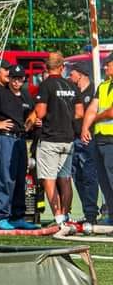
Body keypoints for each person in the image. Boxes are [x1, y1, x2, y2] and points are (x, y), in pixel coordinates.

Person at [0, 64, 38, 230]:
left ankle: (18, 216)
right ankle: (1, 216)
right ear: (8, 79)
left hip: (20, 141)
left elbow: (33, 111)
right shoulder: (0, 92)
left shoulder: (25, 95)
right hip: (4, 139)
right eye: (13, 78)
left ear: (23, 80)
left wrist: (31, 123)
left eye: (19, 79)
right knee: (4, 178)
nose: (16, 82)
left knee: (20, 177)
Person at [34, 52, 83, 225]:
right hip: (68, 138)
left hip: (50, 138)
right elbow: (79, 112)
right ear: (62, 67)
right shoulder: (71, 85)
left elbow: (40, 112)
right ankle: (66, 215)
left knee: (49, 178)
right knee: (65, 178)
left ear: (47, 67)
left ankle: (58, 217)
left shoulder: (46, 85)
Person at [68, 63, 102, 225]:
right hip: (73, 139)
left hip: (89, 141)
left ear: (81, 74)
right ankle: (87, 210)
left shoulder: (94, 91)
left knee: (90, 176)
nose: (70, 76)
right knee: (77, 177)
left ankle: (91, 214)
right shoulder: (73, 92)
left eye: (72, 73)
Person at [82, 56, 113, 225]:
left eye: (107, 65)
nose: (105, 68)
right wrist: (85, 127)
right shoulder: (103, 86)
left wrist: (95, 119)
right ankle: (112, 216)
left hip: (111, 141)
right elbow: (92, 108)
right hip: (100, 140)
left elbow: (111, 112)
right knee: (105, 182)